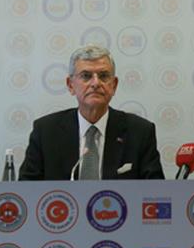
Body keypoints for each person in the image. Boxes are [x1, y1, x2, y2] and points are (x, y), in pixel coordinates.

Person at [19, 45, 165, 180]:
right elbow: (26, 189)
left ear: (114, 85)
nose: (95, 83)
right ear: (70, 85)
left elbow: (155, 191)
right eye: (86, 76)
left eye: (103, 76)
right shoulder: (46, 132)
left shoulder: (140, 132)